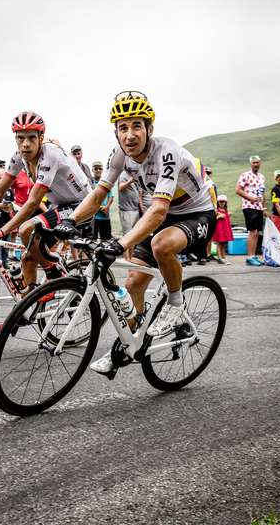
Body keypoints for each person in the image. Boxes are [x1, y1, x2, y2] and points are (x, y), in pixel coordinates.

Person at [53, 90, 216, 376]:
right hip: (164, 215)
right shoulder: (119, 154)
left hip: (196, 214)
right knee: (133, 283)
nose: (130, 134)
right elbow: (99, 194)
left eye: (137, 126)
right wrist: (70, 222)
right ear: (116, 133)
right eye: (123, 128)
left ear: (149, 129)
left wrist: (121, 243)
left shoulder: (167, 151)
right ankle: (125, 347)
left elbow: (158, 211)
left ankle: (176, 304)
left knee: (162, 245)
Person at [0, 111, 90, 287]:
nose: (25, 144)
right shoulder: (18, 157)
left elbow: (32, 202)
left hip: (81, 205)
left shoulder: (50, 155)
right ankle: (32, 307)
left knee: (25, 230)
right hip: (60, 205)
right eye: (20, 138)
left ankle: (54, 275)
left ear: (41, 137)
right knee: (28, 259)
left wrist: (2, 231)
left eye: (32, 138)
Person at [236, 155, 266, 266]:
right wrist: (250, 197)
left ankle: (253, 256)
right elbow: (238, 190)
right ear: (250, 163)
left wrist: (264, 207)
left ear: (260, 163)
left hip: (258, 207)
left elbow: (262, 193)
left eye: (257, 162)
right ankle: (249, 257)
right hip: (249, 206)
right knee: (252, 231)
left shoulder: (262, 177)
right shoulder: (245, 175)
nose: (256, 164)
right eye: (254, 163)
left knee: (257, 232)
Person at [118, 169, 140, 260]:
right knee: (127, 236)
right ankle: (127, 259)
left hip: (135, 209)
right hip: (126, 210)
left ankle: (130, 259)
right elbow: (121, 187)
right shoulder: (123, 174)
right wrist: (130, 181)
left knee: (133, 237)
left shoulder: (134, 174)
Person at [92, 161, 113, 240]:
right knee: (92, 239)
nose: (98, 170)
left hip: (105, 216)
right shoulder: (90, 182)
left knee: (106, 239)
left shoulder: (106, 182)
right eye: (96, 168)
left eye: (100, 168)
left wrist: (106, 207)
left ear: (102, 170)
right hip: (93, 217)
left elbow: (111, 196)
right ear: (92, 170)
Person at [212, 194, 233, 264]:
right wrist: (219, 216)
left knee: (223, 244)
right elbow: (213, 219)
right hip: (219, 229)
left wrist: (228, 215)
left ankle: (224, 257)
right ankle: (219, 257)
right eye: (220, 202)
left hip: (225, 229)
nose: (222, 203)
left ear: (225, 202)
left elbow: (227, 220)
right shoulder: (216, 210)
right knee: (219, 243)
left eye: (223, 202)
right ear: (218, 202)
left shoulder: (225, 210)